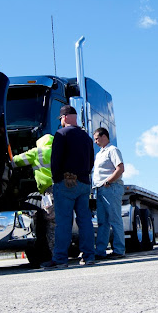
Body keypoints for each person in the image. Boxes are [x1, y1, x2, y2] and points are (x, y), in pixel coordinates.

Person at [42, 105, 96, 268]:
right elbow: (91, 161)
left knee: (64, 221)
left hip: (66, 182)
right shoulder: (86, 137)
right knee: (85, 220)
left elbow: (56, 160)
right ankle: (89, 256)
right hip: (84, 182)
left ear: (64, 118)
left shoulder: (61, 134)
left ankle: (60, 259)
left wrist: (57, 178)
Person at [92, 127, 126, 260]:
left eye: (96, 138)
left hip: (111, 188)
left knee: (115, 219)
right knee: (102, 221)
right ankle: (100, 251)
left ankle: (119, 250)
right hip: (100, 189)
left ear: (104, 136)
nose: (95, 141)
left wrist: (108, 181)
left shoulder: (113, 150)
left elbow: (120, 168)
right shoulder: (100, 153)